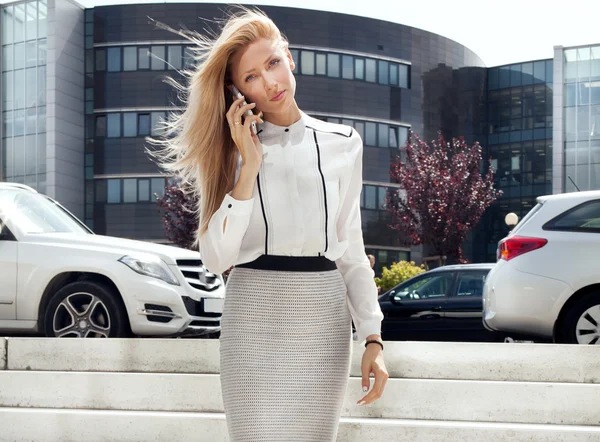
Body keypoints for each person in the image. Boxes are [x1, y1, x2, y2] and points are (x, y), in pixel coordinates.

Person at [150, 8, 387, 441]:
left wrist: (373, 337)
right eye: (252, 77)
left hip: (323, 318)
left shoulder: (344, 143)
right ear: (237, 91)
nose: (270, 82)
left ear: (290, 58)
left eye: (273, 64)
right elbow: (215, 258)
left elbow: (351, 249)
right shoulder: (229, 153)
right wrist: (248, 167)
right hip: (253, 315)